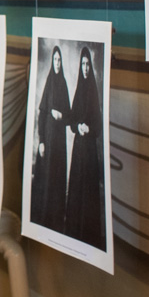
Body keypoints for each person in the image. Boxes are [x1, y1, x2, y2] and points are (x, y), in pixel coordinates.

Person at [64, 46, 105, 249]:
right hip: (78, 149)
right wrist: (77, 126)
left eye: (88, 64)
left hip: (89, 151)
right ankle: (74, 231)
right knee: (76, 188)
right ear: (80, 66)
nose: (86, 68)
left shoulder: (93, 92)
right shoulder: (79, 90)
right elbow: (71, 121)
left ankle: (87, 235)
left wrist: (89, 129)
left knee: (88, 190)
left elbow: (98, 127)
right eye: (83, 64)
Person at [30, 45, 70, 232]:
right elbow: (41, 114)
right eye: (55, 60)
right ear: (52, 62)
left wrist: (61, 116)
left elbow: (69, 116)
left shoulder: (64, 84)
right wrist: (41, 141)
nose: (57, 63)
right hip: (47, 142)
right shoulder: (49, 82)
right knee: (45, 180)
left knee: (56, 180)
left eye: (59, 60)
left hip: (59, 145)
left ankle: (55, 219)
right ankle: (43, 219)